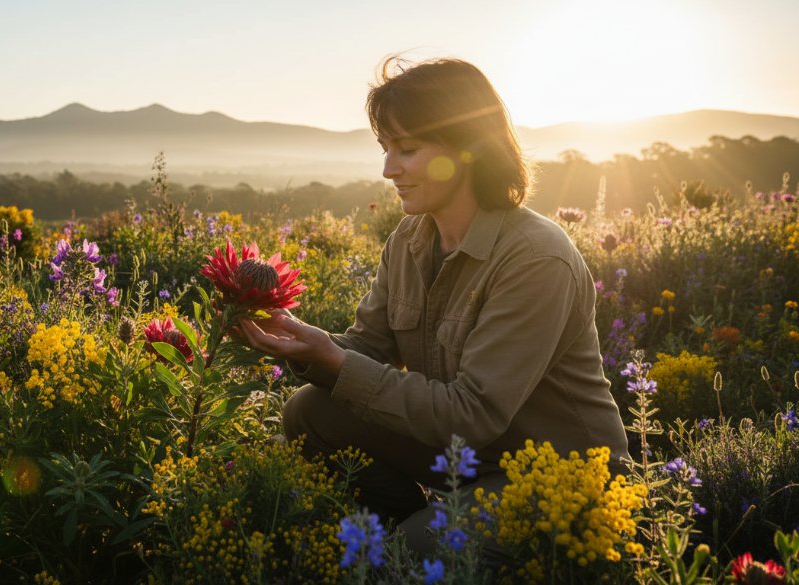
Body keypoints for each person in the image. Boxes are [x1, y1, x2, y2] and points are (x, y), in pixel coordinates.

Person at [236, 56, 630, 553]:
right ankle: (417, 524)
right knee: (309, 413)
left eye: (407, 149)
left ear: (466, 149)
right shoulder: (409, 239)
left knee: (405, 557)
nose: (387, 168)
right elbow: (369, 349)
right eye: (385, 149)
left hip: (555, 475)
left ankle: (416, 540)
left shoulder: (535, 258)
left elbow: (472, 415)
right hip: (463, 458)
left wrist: (335, 360)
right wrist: (295, 341)